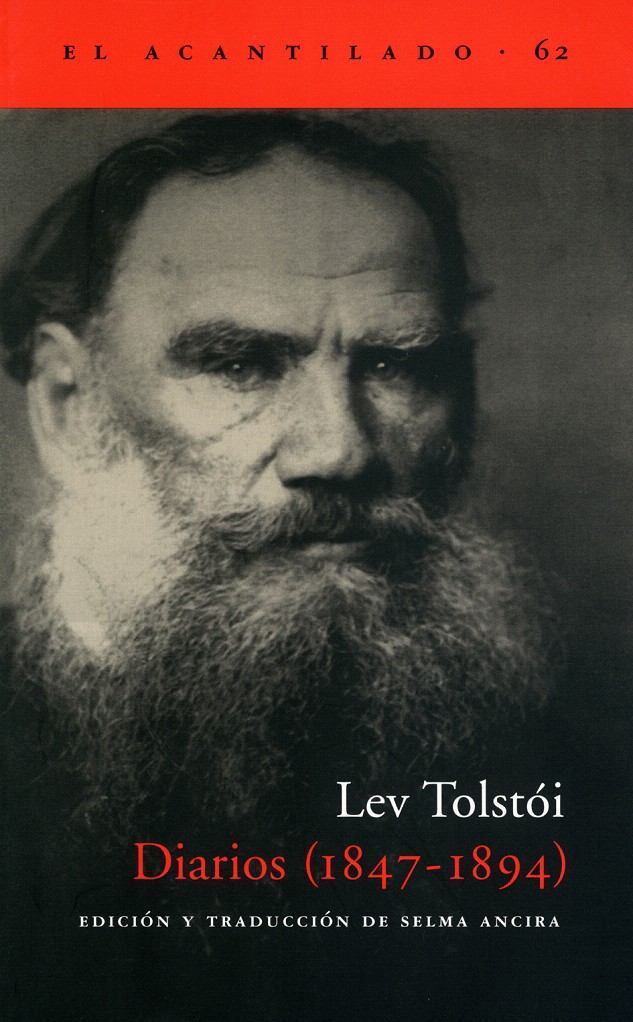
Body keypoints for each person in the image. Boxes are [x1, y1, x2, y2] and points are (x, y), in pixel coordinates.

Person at [1, 113, 625, 1022]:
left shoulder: (583, 798)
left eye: (396, 364)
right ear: (68, 404)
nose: (338, 452)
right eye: (240, 364)